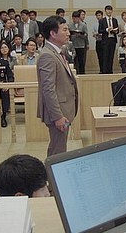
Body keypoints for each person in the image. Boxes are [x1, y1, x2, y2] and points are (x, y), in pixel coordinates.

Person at [37, 16, 78, 157]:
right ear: (53, 33)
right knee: (57, 152)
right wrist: (58, 116)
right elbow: (48, 89)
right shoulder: (47, 56)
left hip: (64, 110)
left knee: (59, 148)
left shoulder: (59, 52)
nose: (68, 33)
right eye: (64, 30)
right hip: (58, 113)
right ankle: (52, 172)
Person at [98, 5, 119, 74]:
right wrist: (107, 29)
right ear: (105, 11)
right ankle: (104, 72)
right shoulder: (102, 20)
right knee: (105, 57)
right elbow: (99, 30)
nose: (109, 11)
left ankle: (110, 71)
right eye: (108, 10)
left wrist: (115, 31)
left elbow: (117, 30)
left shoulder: (115, 20)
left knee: (111, 57)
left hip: (113, 40)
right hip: (105, 41)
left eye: (110, 10)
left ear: (112, 11)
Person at [68, 10, 89, 74]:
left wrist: (80, 35)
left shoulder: (83, 25)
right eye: (74, 18)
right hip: (73, 45)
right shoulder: (70, 25)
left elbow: (86, 35)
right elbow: (68, 35)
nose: (76, 20)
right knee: (73, 60)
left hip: (81, 45)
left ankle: (82, 73)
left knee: (81, 61)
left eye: (77, 18)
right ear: (72, 18)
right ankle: (74, 73)